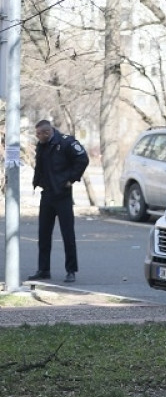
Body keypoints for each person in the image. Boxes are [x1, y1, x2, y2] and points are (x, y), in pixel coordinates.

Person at [28, 120, 90, 283]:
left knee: (67, 234)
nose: (37, 137)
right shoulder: (42, 145)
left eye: (39, 134)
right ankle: (43, 269)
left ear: (47, 133)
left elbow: (83, 159)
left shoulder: (65, 142)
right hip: (47, 194)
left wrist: (71, 179)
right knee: (43, 234)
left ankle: (71, 270)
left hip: (62, 194)